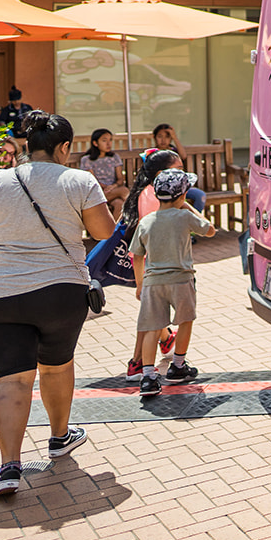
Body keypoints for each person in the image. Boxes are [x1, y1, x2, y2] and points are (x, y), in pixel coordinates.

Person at [0, 111, 115, 500]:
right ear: (65, 148)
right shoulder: (79, 180)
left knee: (13, 378)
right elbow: (103, 231)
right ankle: (59, 438)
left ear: (26, 145)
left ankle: (8, 467)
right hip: (59, 293)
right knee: (56, 366)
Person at [130, 168, 217, 398]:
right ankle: (178, 366)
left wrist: (140, 284)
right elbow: (210, 230)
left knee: (152, 326)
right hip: (181, 279)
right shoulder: (185, 216)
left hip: (152, 282)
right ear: (181, 196)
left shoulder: (146, 221)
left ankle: (149, 377)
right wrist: (189, 207)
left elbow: (137, 255)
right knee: (186, 320)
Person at [114, 149, 185, 380]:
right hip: (157, 268)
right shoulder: (156, 197)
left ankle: (166, 340)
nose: (183, 176)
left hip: (151, 267)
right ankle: (137, 364)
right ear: (162, 174)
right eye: (179, 170)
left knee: (153, 315)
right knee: (151, 318)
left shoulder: (146, 192)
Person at [150, 124, 207, 213]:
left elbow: (183, 156)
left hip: (180, 187)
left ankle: (194, 221)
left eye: (167, 137)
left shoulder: (174, 152)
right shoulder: (152, 154)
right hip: (161, 189)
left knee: (200, 195)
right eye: (160, 136)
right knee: (178, 202)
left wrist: (175, 137)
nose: (163, 140)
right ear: (154, 137)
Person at [78, 129, 130, 215]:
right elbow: (92, 181)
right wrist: (106, 187)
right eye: (104, 140)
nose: (108, 143)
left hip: (113, 191)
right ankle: (136, 212)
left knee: (119, 203)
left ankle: (113, 228)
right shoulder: (87, 160)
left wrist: (113, 187)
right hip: (96, 193)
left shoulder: (114, 157)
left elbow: (120, 179)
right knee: (124, 191)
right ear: (95, 143)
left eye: (110, 140)